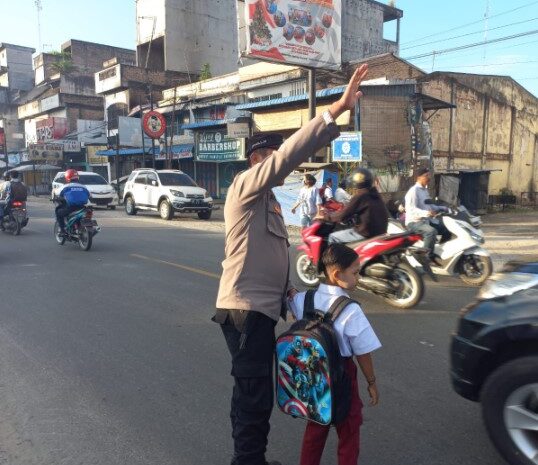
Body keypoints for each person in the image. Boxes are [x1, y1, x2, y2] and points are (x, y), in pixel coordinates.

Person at [213, 63, 369, 465]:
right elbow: (285, 159)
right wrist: (335, 110)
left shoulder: (271, 206)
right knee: (253, 393)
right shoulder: (244, 188)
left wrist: (291, 294)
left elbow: (265, 256)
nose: (278, 163)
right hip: (245, 311)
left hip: (262, 310)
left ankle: (249, 458)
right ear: (256, 160)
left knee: (253, 392)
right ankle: (248, 461)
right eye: (268, 155)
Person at [288, 243, 381, 465]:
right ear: (337, 274)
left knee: (316, 426)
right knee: (349, 427)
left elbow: (290, 302)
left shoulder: (304, 300)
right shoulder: (350, 309)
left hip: (313, 374)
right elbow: (363, 353)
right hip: (342, 375)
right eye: (355, 272)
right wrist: (371, 381)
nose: (358, 278)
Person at [325, 168, 389, 244]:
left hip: (365, 233)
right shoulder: (375, 194)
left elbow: (343, 214)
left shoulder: (361, 196)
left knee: (333, 237)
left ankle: (333, 256)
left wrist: (327, 217)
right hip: (379, 233)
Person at [404, 167, 449, 259]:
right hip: (414, 222)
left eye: (429, 176)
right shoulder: (413, 191)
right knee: (431, 232)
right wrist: (427, 213)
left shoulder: (424, 191)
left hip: (426, 220)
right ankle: (426, 257)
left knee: (447, 229)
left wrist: (444, 208)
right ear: (418, 178)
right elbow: (411, 209)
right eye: (426, 176)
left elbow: (430, 206)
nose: (428, 178)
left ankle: (439, 252)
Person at [55, 169, 90, 235]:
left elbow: (58, 194)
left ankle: (62, 230)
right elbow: (89, 195)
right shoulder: (83, 186)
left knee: (58, 212)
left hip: (71, 208)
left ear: (67, 178)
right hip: (82, 207)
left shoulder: (66, 186)